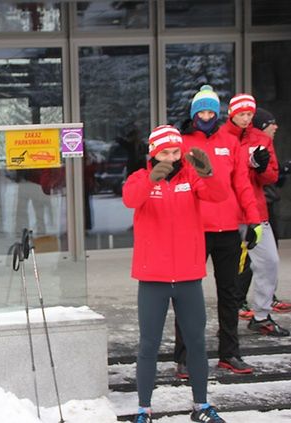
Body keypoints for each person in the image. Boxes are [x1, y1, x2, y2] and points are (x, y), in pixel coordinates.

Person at [124, 125, 228, 423]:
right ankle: (144, 409)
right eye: (165, 152)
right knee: (149, 344)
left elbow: (219, 196)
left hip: (188, 275)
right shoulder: (139, 178)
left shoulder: (191, 176)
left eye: (175, 151)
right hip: (153, 277)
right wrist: (150, 180)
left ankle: (201, 405)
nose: (171, 157)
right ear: (153, 153)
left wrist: (208, 173)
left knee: (196, 341)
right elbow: (131, 199)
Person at [173, 85, 259, 379]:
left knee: (230, 293)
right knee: (186, 294)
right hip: (194, 228)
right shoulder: (182, 142)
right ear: (194, 114)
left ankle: (229, 353)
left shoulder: (230, 142)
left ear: (218, 113)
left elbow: (243, 184)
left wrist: (254, 220)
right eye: (201, 112)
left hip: (228, 230)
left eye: (211, 111)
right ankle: (184, 357)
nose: (207, 116)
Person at [229, 94, 290, 337]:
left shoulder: (262, 139)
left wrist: (261, 166)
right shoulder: (224, 138)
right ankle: (228, 318)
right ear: (232, 115)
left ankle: (261, 314)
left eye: (249, 114)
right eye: (241, 114)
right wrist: (247, 163)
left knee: (270, 262)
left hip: (255, 210)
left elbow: (271, 177)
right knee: (230, 268)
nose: (245, 118)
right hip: (228, 213)